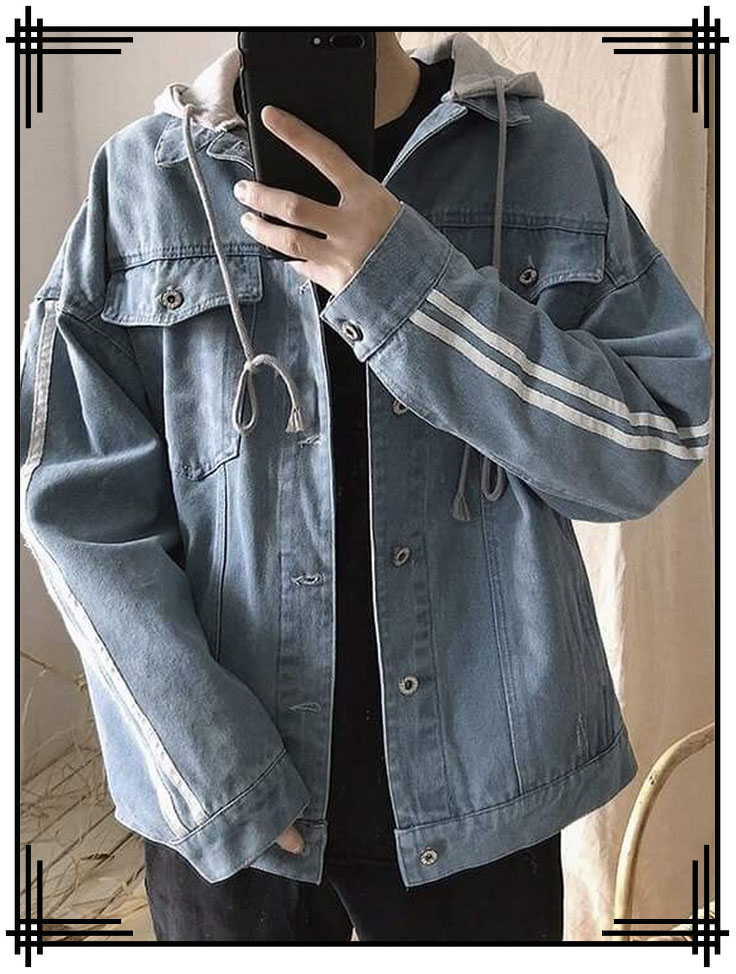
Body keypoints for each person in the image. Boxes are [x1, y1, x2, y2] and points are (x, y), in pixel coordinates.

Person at [19, 31, 712, 942]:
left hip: (486, 794)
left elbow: (653, 440)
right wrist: (213, 767)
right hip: (234, 810)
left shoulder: (541, 160)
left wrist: (405, 284)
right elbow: (74, 510)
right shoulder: (144, 182)